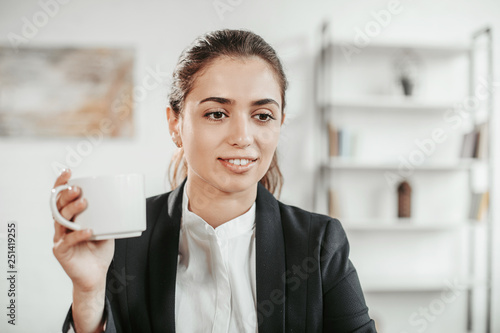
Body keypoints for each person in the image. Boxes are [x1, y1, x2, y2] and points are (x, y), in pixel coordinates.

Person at [52, 29, 376, 333]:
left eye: (262, 115)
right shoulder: (123, 239)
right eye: (217, 114)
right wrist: (88, 292)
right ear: (175, 124)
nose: (242, 137)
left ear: (279, 125)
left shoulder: (319, 245)